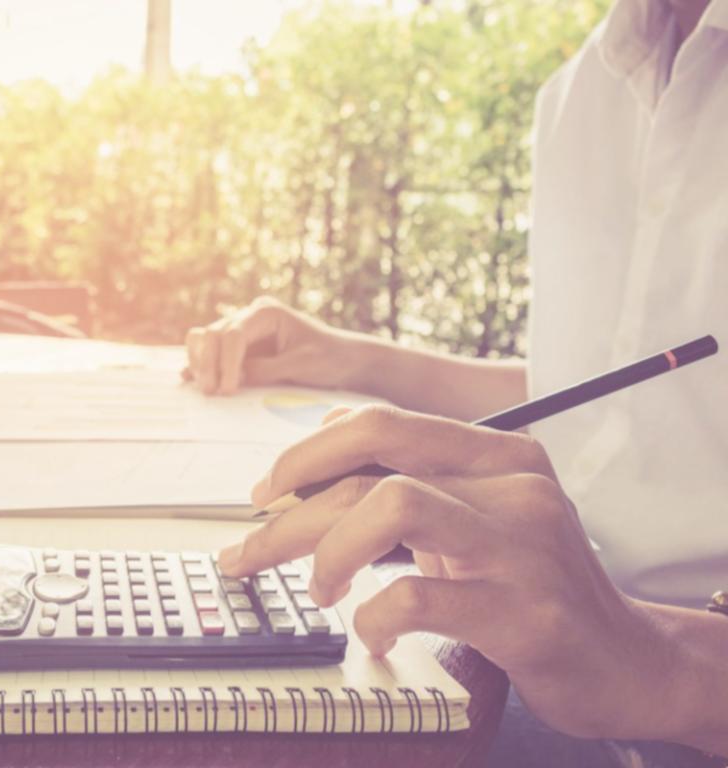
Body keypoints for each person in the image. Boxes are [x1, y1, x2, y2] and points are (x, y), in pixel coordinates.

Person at [183, 0, 728, 760]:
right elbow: (608, 401)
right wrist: (350, 358)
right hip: (528, 645)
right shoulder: (578, 96)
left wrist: (667, 664)